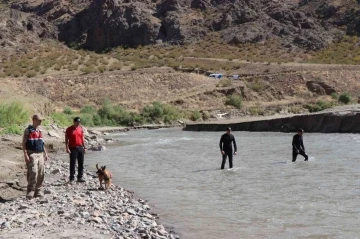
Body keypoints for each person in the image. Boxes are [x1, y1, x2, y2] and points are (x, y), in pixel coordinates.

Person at [22, 114, 49, 199]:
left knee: (41, 172)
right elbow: (23, 143)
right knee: (33, 172)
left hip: (40, 153)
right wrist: (26, 154)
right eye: (39, 120)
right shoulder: (28, 130)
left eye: (41, 120)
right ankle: (30, 190)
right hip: (32, 153)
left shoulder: (40, 131)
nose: (40, 122)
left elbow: (42, 143)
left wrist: (45, 153)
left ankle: (38, 190)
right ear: (34, 120)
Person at [65, 117, 86, 183]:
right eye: (77, 122)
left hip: (80, 147)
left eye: (79, 122)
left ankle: (79, 177)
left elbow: (82, 138)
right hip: (72, 148)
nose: (78, 124)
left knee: (81, 163)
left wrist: (84, 147)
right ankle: (71, 178)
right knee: (73, 163)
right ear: (74, 122)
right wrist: (67, 148)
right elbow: (66, 139)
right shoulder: (69, 129)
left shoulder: (80, 128)